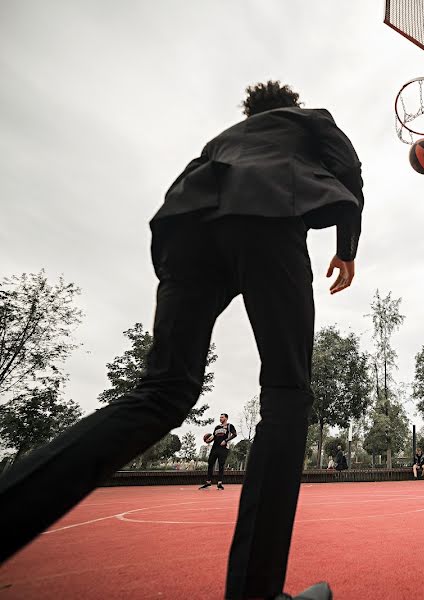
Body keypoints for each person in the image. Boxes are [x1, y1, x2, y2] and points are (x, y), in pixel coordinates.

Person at [0, 80, 364, 600]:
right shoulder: (310, 121)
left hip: (186, 226)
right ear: (292, 104)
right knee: (287, 394)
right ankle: (255, 593)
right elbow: (349, 173)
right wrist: (347, 247)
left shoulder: (224, 138)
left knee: (163, 390)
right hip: (265, 218)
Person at [200, 413, 238, 490]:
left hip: (224, 448)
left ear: (226, 418)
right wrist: (209, 439)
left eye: (222, 417)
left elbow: (235, 434)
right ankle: (208, 482)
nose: (220, 419)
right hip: (215, 447)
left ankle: (219, 483)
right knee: (210, 463)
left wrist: (226, 440)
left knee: (221, 465)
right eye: (220, 417)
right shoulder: (217, 427)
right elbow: (214, 436)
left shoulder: (230, 426)